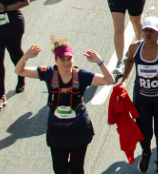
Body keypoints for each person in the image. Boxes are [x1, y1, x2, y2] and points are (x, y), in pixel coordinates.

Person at [14, 36, 116, 174]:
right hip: (57, 132)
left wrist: (99, 62)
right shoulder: (48, 73)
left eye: (69, 59)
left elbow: (109, 80)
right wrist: (26, 56)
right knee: (59, 170)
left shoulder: (82, 75)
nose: (66, 62)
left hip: (79, 130)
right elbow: (19, 71)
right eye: (62, 59)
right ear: (56, 60)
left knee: (77, 169)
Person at [120, 17, 158, 174]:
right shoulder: (135, 48)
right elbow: (129, 61)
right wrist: (124, 81)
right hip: (141, 99)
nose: (148, 33)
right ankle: (146, 152)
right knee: (144, 133)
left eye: (152, 31)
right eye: (146, 30)